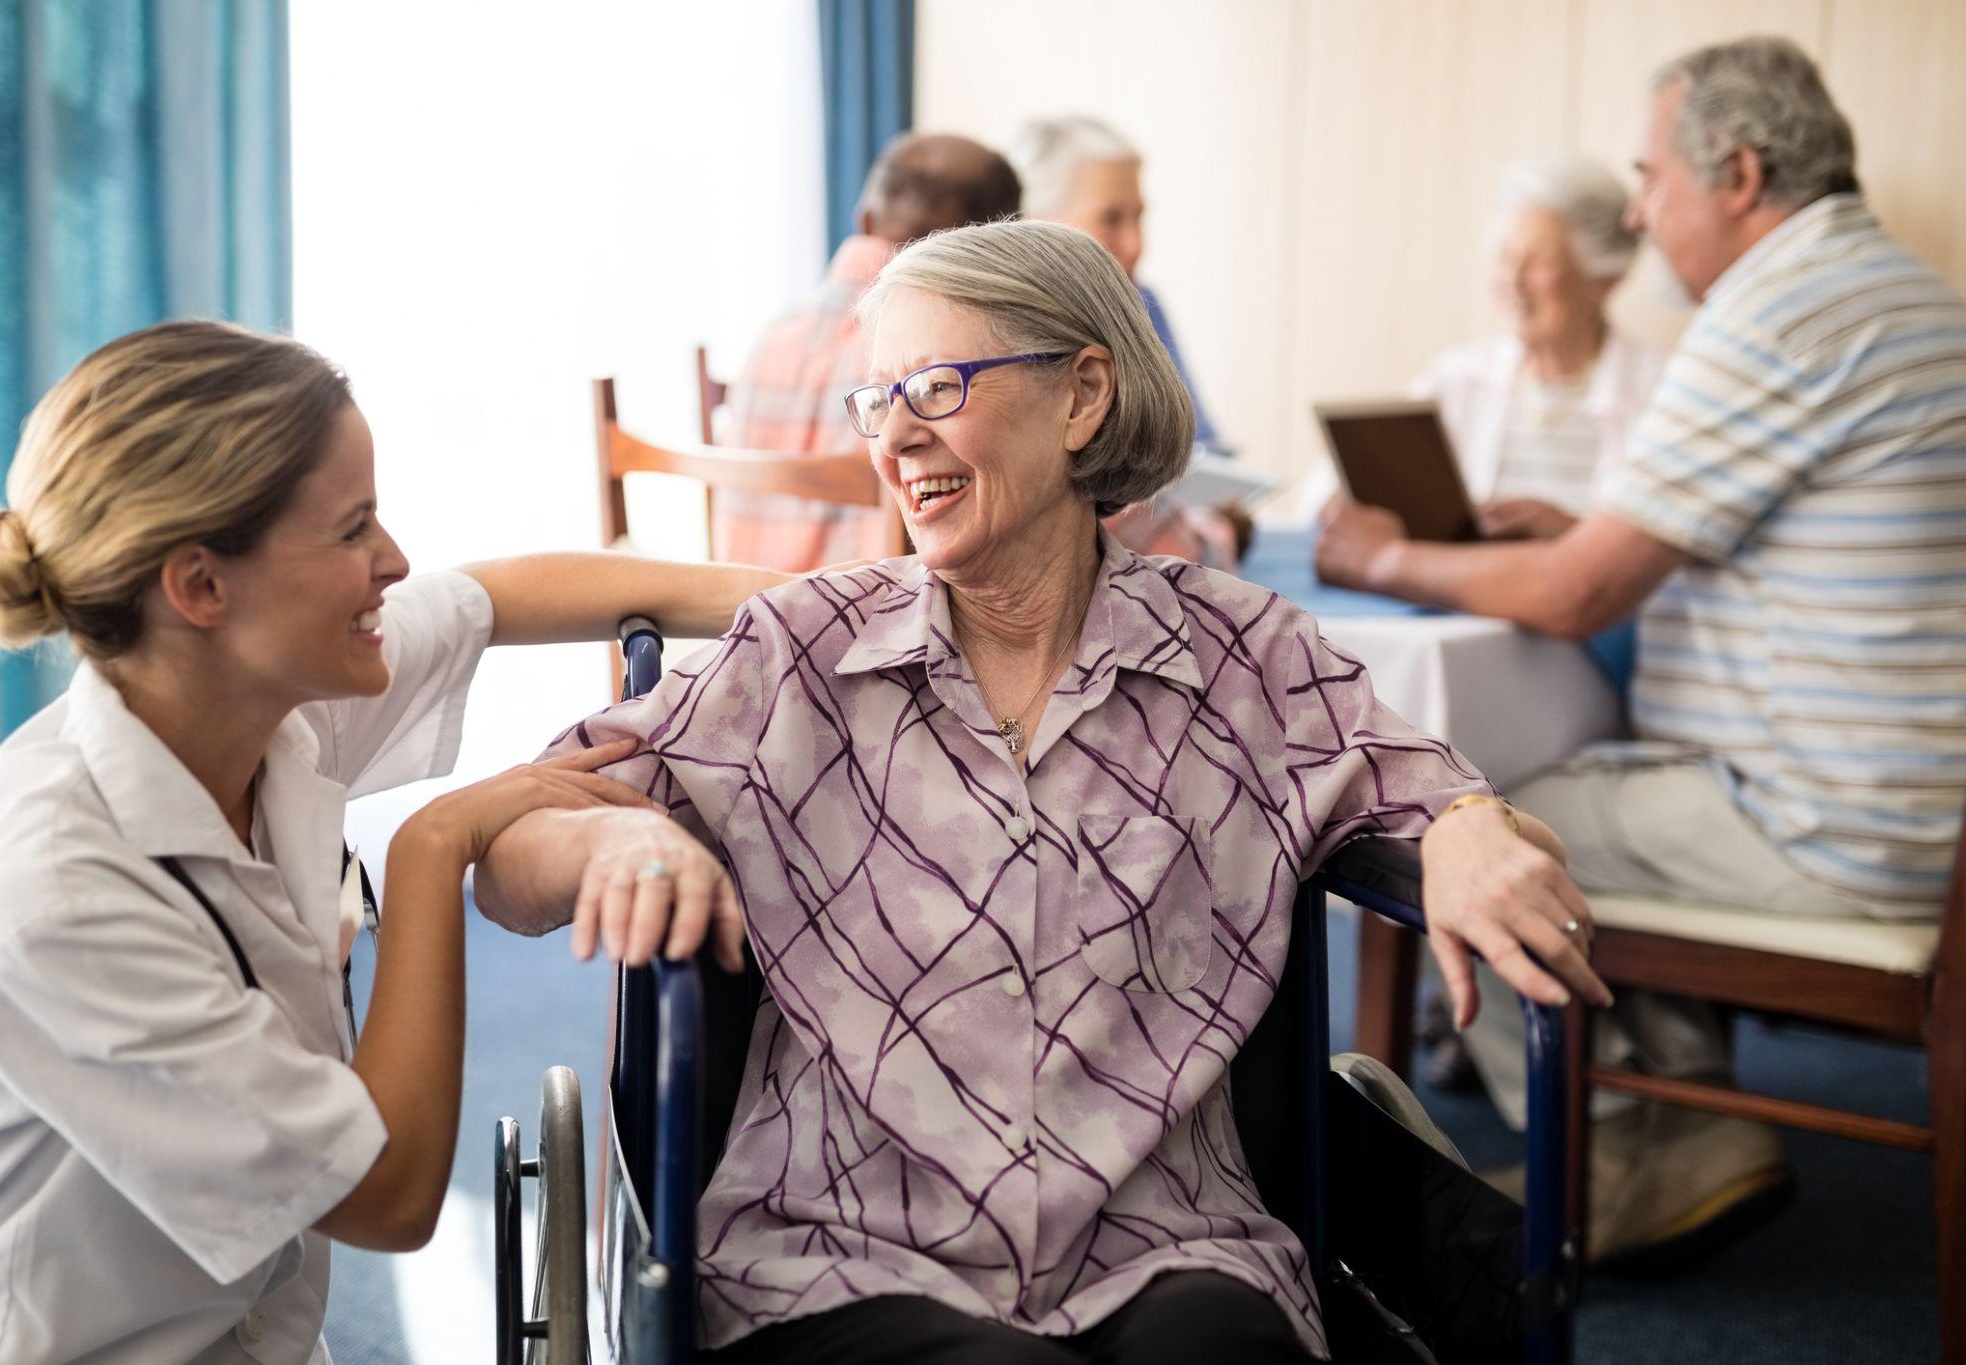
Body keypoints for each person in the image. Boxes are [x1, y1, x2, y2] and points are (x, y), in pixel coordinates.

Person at [476, 219, 1609, 1362]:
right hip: (842, 1249)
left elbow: (1427, 791)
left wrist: (1468, 822)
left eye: (935, 385)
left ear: (1081, 399)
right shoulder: (799, 654)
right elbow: (512, 848)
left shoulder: (1240, 653)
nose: (896, 436)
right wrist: (611, 848)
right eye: (877, 401)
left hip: (1168, 1240)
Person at [0, 320, 786, 1363]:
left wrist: (817, 601)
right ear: (199, 587)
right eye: (352, 530)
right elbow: (389, 1196)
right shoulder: (57, 895)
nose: (394, 560)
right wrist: (434, 848)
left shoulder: (256, 707)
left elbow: (492, 597)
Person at [1315, 36, 1966, 1267]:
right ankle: (1679, 1131)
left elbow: (1573, 594)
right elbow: (1732, 541)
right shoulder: (1903, 296)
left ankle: (1611, 1146)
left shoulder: (1775, 308)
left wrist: (1381, 563)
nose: (1633, 207)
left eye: (1649, 174)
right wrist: (1591, 533)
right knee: (1587, 791)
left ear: (1735, 172)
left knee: (1477, 828)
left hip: (1822, 831)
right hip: (1911, 806)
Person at [710, 132, 1021, 572]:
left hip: (744, 613)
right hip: (869, 620)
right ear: (997, 245)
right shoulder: (944, 349)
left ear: (866, 219)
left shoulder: (772, 335)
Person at [1012, 115, 1249, 570]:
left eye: (1139, 217)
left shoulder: (1142, 305)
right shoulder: (1013, 344)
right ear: (1034, 221)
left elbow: (1204, 447)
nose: (1136, 244)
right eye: (1111, 218)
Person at [1400, 155, 1666, 537]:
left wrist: (1574, 538)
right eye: (1506, 257)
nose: (1513, 279)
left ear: (1606, 278)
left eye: (1540, 260)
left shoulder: (1659, 391)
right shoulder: (1456, 377)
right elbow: (1328, 496)